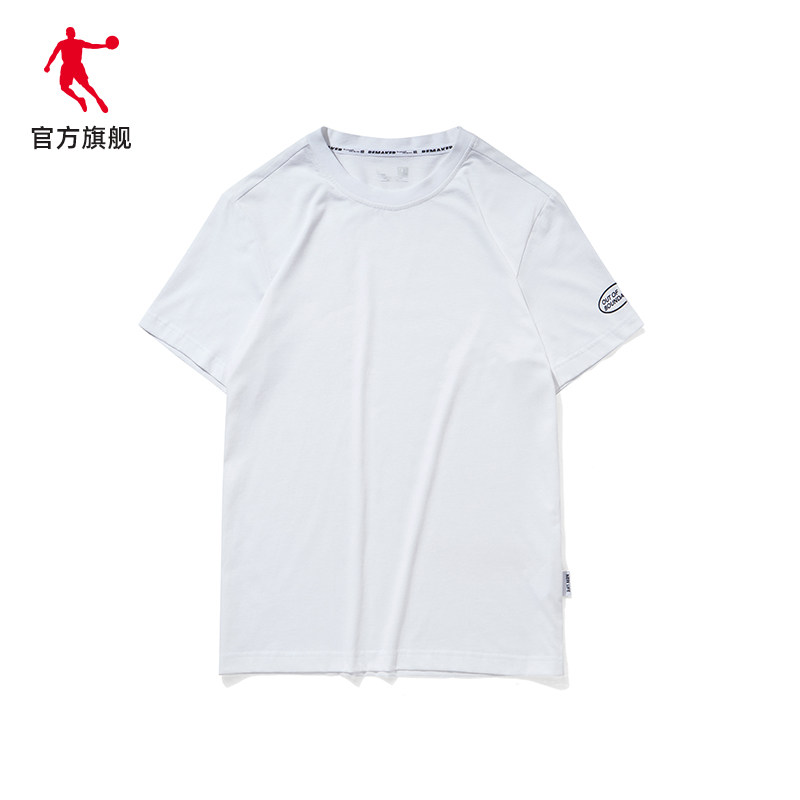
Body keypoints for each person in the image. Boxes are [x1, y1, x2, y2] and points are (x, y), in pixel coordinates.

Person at [44, 27, 109, 113]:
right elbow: (54, 55)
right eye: (71, 32)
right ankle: (80, 100)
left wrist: (105, 45)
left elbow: (92, 46)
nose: (72, 34)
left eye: (72, 32)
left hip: (76, 66)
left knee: (85, 85)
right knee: (64, 87)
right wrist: (48, 65)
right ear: (68, 34)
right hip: (67, 67)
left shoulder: (77, 42)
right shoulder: (63, 43)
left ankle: (98, 100)